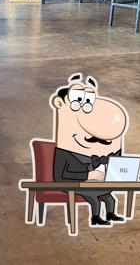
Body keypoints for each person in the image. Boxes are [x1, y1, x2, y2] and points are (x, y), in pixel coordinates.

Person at [48, 73, 128, 225]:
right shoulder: (64, 152)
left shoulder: (87, 152)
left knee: (108, 196)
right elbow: (61, 175)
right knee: (94, 196)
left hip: (87, 181)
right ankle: (96, 217)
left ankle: (110, 214)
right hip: (67, 183)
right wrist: (88, 174)